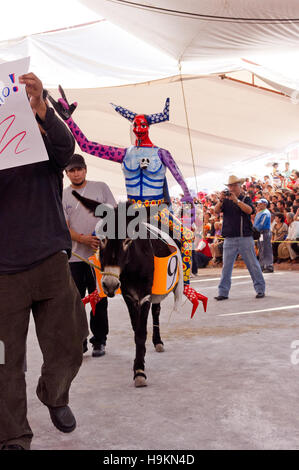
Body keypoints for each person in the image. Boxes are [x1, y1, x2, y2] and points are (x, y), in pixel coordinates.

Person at [48, 88, 208, 316]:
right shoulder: (124, 154)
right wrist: (69, 120)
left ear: (148, 127)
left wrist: (187, 194)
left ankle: (187, 287)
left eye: (144, 124)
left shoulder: (162, 153)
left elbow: (178, 175)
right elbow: (87, 146)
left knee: (188, 236)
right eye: (136, 124)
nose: (140, 127)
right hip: (132, 211)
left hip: (158, 210)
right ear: (133, 128)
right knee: (102, 237)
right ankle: (101, 289)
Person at [0, 74, 88, 450]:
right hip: (3, 275)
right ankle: (13, 436)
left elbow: (67, 148)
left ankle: (54, 393)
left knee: (70, 342)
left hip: (51, 261)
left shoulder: (45, 150)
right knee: (5, 362)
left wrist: (40, 108)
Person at [63, 154, 116, 357]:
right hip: (75, 257)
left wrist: (101, 237)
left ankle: (99, 341)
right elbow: (63, 227)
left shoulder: (100, 187)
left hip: (99, 257)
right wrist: (83, 239)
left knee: (99, 299)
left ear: (85, 169)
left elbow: (113, 214)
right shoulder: (63, 195)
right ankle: (80, 340)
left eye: (79, 169)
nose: (76, 173)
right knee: (75, 300)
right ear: (66, 173)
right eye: (72, 170)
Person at [214, 175, 265, 300]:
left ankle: (260, 289)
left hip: (244, 237)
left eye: (233, 185)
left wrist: (237, 201)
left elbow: (249, 211)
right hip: (229, 238)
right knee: (226, 266)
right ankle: (223, 292)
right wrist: (220, 200)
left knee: (252, 264)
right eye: (229, 186)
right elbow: (216, 211)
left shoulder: (245, 198)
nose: (230, 188)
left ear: (239, 186)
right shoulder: (225, 200)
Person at [253, 199, 273, 273]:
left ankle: (269, 266)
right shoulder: (259, 212)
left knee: (266, 249)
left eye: (260, 203)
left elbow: (262, 224)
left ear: (264, 204)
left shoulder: (266, 213)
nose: (258, 205)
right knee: (261, 249)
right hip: (259, 233)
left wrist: (255, 230)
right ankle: (261, 266)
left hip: (264, 232)